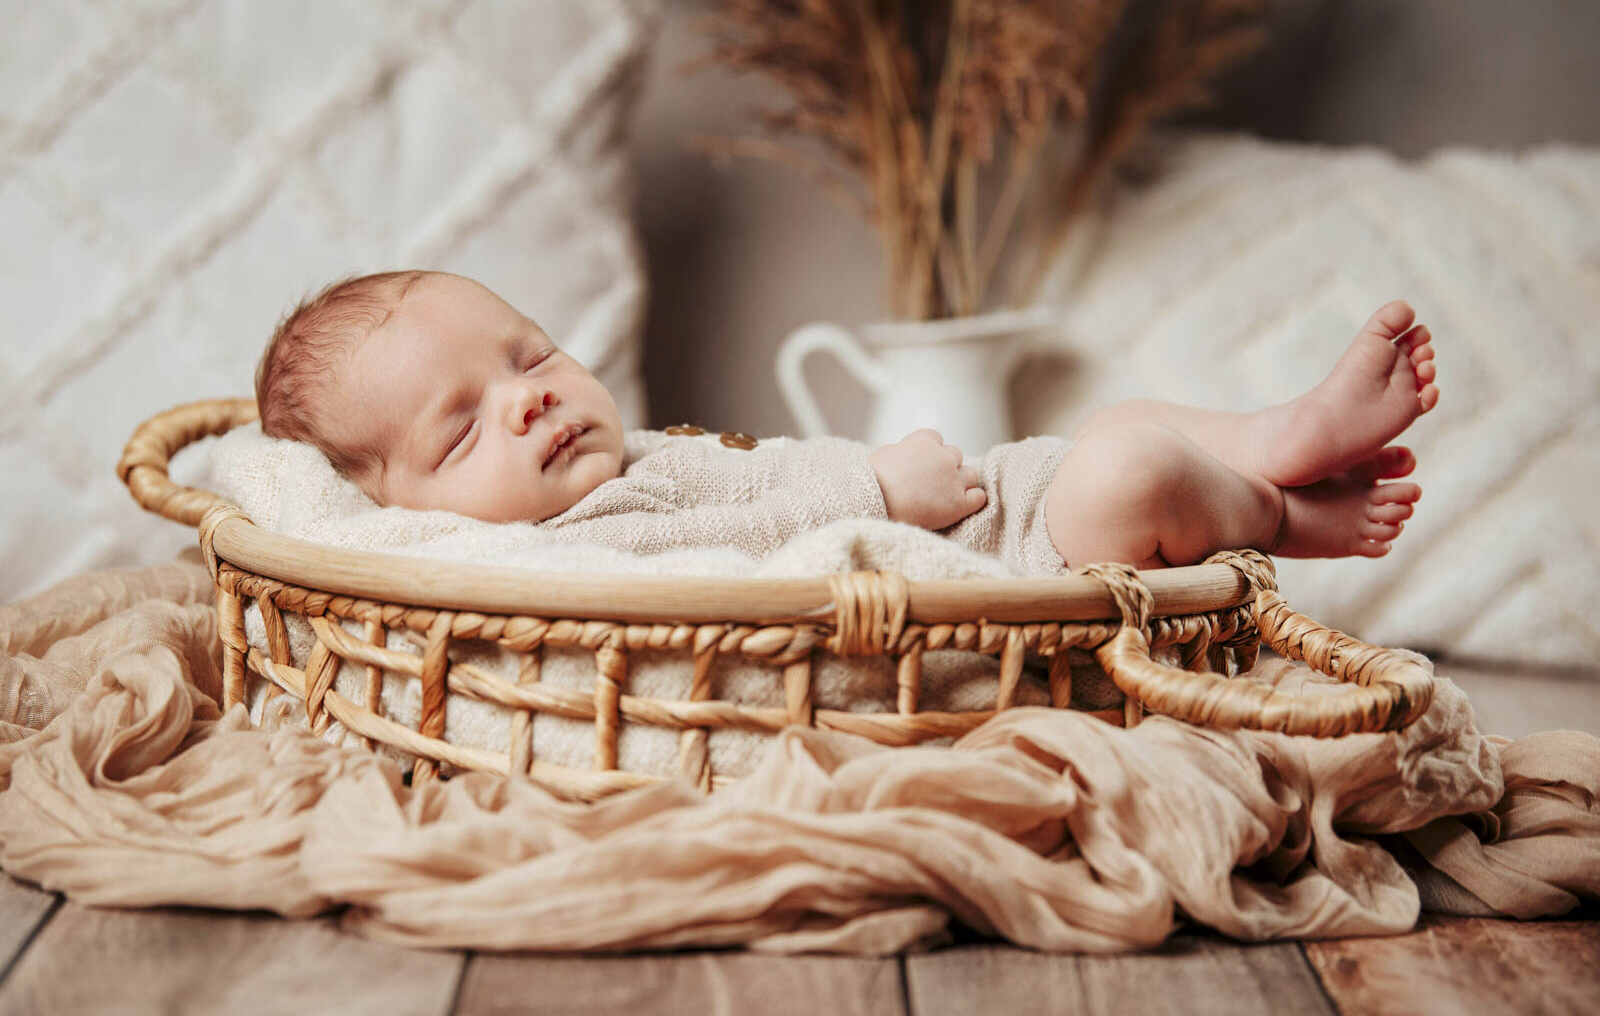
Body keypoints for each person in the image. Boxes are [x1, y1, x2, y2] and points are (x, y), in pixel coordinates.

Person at [254, 270, 1438, 573]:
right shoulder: (560, 555)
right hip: (1003, 570)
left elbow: (750, 483)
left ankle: (1279, 434)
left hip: (992, 502)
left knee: (1119, 423)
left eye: (531, 354)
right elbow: (721, 566)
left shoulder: (639, 457)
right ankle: (1279, 515)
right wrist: (872, 494)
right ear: (400, 511)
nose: (530, 398)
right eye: (463, 432)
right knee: (1127, 466)